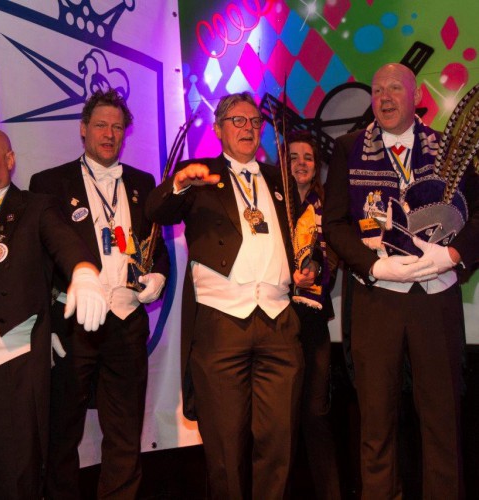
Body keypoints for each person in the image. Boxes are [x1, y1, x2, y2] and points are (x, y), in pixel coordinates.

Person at [145, 92, 315, 499]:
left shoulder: (279, 179)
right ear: (219, 129)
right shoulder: (198, 175)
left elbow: (303, 237)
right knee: (224, 445)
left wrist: (307, 268)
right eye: (237, 120)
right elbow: (156, 211)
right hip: (221, 322)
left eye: (254, 121)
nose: (247, 128)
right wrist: (179, 184)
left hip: (278, 320)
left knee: (279, 440)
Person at [323, 63, 479, 499]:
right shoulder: (349, 148)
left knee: (442, 420)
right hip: (377, 300)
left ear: (416, 96)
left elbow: (478, 215)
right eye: (377, 91)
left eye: (395, 88)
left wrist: (451, 255)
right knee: (376, 422)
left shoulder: (449, 149)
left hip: (435, 297)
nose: (385, 98)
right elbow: (334, 224)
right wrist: (373, 267)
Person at [30, 89, 169, 499]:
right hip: (73, 324)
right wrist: (45, 326)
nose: (109, 134)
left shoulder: (143, 183)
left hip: (127, 323)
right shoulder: (49, 183)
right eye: (101, 126)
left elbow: (156, 247)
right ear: (83, 129)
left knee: (125, 434)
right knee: (62, 433)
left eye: (117, 127)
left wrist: (158, 275)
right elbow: (41, 259)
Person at [0, 126, 107, 498]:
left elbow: (68, 244)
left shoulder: (34, 207)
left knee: (15, 478)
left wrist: (84, 272)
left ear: (9, 160)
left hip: (9, 362)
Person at [287, 130, 341, 500]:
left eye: (308, 157)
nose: (301, 163)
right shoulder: (273, 203)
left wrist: (318, 268)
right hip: (279, 318)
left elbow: (335, 252)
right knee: (282, 417)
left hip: (314, 320)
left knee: (316, 413)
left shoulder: (329, 206)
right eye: (293, 157)